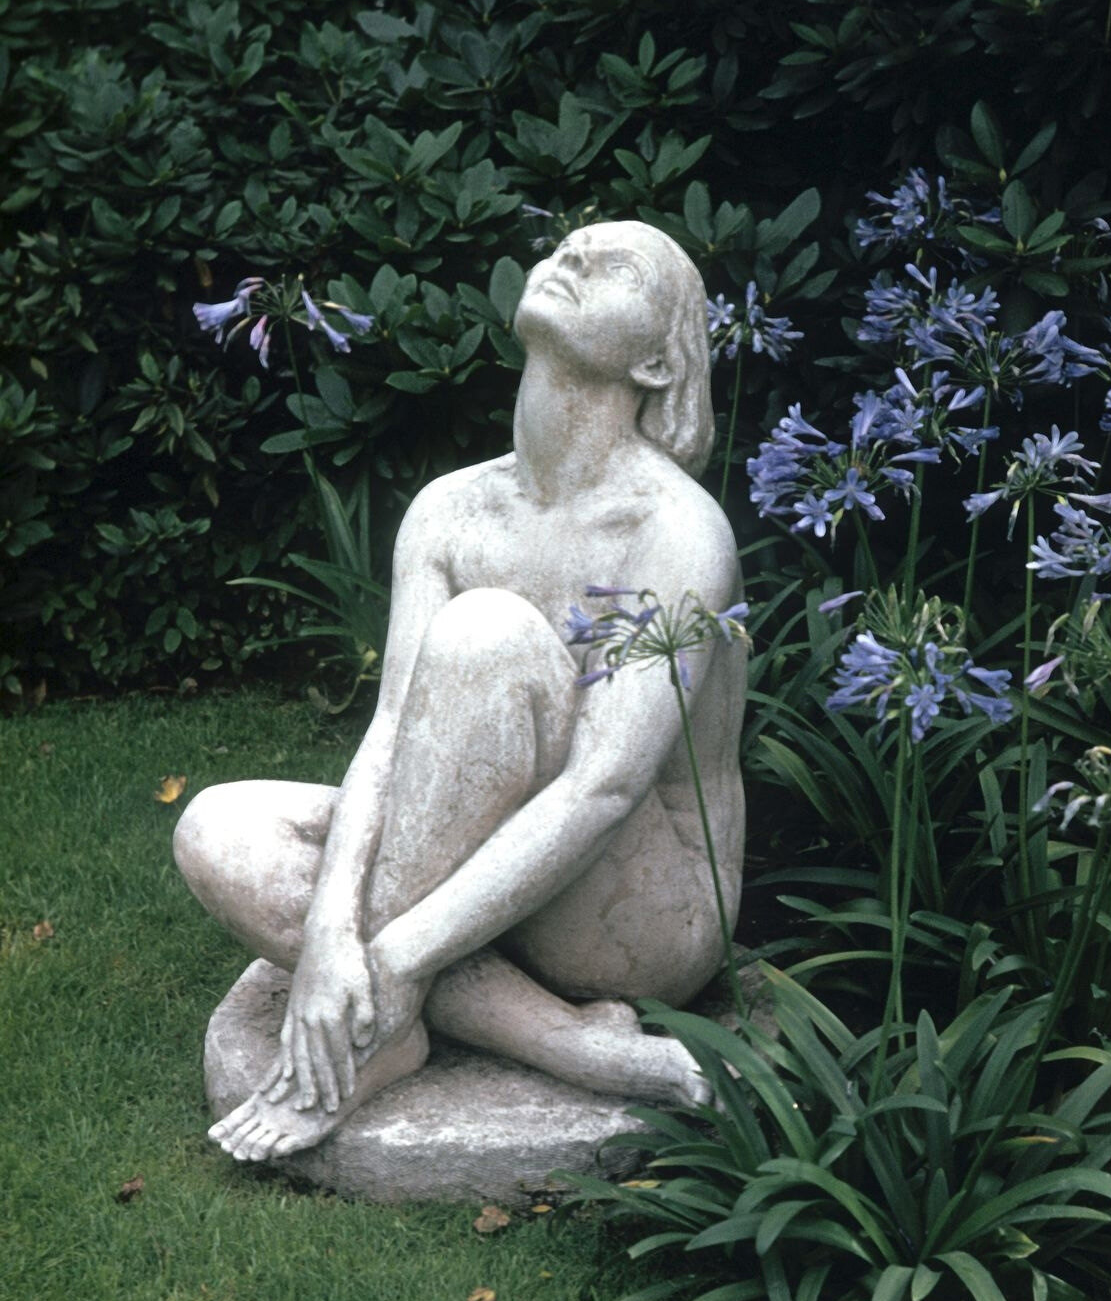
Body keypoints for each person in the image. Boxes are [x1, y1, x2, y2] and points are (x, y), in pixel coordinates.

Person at [175, 221, 746, 1164]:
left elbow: (602, 788)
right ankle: (567, 1044)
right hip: (489, 859)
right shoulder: (450, 510)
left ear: (655, 362)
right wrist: (330, 931)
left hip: (638, 909)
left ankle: (381, 1021)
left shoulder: (675, 529)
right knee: (218, 831)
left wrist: (388, 957)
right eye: (568, 247)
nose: (572, 259)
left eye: (617, 267)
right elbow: (393, 733)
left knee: (488, 635)